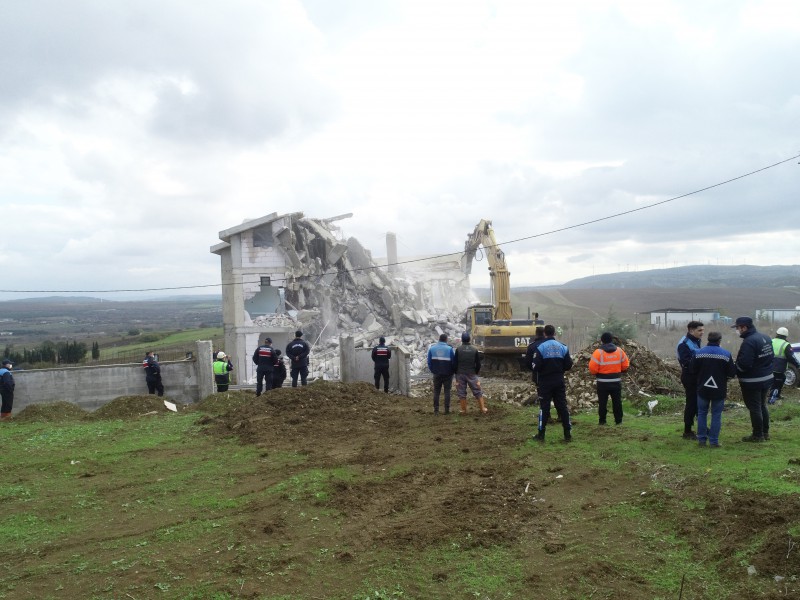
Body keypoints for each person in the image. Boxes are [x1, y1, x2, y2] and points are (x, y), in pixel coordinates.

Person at [691, 331, 736, 448]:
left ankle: (701, 440)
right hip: (719, 390)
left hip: (702, 389)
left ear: (708, 339)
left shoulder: (698, 353)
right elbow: (732, 373)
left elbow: (692, 370)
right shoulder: (726, 354)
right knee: (716, 415)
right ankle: (714, 442)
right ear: (719, 341)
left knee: (701, 414)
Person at [733, 316, 774, 442]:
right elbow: (771, 357)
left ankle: (757, 435)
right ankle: (765, 432)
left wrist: (734, 371)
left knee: (755, 407)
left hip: (753, 381)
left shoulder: (749, 342)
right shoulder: (766, 337)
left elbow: (745, 364)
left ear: (744, 327)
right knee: (762, 405)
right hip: (767, 378)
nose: (738, 331)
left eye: (738, 328)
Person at [531, 324, 573, 442]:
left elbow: (535, 366)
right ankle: (567, 434)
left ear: (544, 333)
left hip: (545, 382)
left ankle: (541, 435)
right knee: (562, 407)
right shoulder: (563, 347)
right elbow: (569, 365)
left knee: (544, 408)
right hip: (559, 380)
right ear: (554, 333)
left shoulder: (540, 347)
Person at [588, 332, 630, 425]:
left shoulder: (598, 352)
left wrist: (598, 372)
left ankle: (602, 421)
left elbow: (592, 369)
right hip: (616, 382)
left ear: (602, 341)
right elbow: (626, 365)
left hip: (602, 383)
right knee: (617, 402)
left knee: (602, 403)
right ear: (612, 340)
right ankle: (619, 421)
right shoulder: (619, 351)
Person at [676, 321, 704, 440]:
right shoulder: (684, 344)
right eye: (699, 330)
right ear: (691, 330)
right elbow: (686, 363)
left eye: (703, 330)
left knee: (699, 404)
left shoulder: (695, 341)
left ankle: (701, 428)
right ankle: (687, 431)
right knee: (691, 404)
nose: (702, 333)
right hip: (690, 377)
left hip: (697, 376)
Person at [455, 331, 486, 415]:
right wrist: (475, 372)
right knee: (477, 390)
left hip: (460, 373)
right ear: (469, 339)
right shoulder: (474, 349)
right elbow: (478, 364)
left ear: (462, 340)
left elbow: (455, 363)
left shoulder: (458, 349)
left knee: (461, 392)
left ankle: (463, 410)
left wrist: (456, 374)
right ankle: (482, 409)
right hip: (471, 373)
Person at [427, 333, 456, 414]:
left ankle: (436, 410)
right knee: (447, 391)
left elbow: (429, 362)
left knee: (436, 391)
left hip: (436, 373)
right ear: (446, 339)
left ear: (439, 339)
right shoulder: (449, 349)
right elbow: (453, 362)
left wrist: (433, 370)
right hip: (448, 374)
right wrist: (452, 371)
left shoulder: (432, 349)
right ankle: (447, 410)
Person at [769, 326, 800, 403]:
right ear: (785, 336)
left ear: (777, 334)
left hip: (769, 365)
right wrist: (798, 365)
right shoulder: (786, 344)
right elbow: (791, 357)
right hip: (779, 366)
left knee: (778, 379)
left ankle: (776, 394)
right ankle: (772, 398)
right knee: (778, 381)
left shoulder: (771, 341)